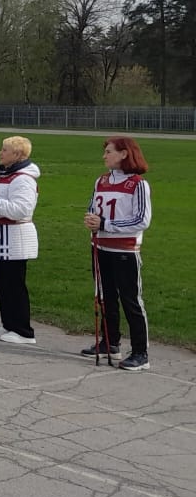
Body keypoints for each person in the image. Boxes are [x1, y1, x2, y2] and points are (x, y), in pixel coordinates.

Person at [82, 136, 152, 371]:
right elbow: (93, 207)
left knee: (131, 300)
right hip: (100, 247)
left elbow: (141, 220)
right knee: (105, 296)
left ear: (124, 154)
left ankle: (141, 352)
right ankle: (110, 342)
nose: (104, 156)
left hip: (124, 250)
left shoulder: (137, 184)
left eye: (109, 152)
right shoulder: (101, 180)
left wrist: (106, 224)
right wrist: (91, 219)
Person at [0, 136, 39, 344]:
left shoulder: (23, 179)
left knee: (14, 284)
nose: (0, 153)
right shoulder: (4, 177)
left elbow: (22, 209)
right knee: (2, 283)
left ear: (17, 154)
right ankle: (9, 323)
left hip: (13, 240)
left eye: (4, 150)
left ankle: (23, 330)